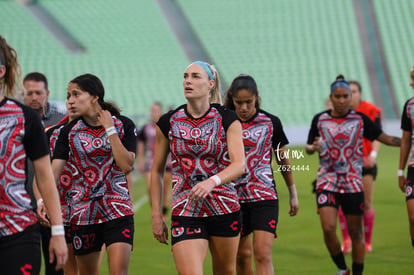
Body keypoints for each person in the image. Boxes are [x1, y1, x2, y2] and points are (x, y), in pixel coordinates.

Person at [150, 61, 245, 275]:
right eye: (185, 76)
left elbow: (239, 164)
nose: (188, 81)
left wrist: (212, 182)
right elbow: (156, 171)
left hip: (224, 208)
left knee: (226, 272)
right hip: (185, 209)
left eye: (195, 76)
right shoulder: (168, 122)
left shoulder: (227, 118)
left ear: (210, 84)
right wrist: (157, 214)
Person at [306, 75, 400, 275]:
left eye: (345, 96)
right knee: (329, 229)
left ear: (351, 97)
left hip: (352, 183)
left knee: (355, 232)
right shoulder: (320, 119)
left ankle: (357, 272)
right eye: (337, 96)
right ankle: (342, 268)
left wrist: (407, 140)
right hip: (327, 180)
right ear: (331, 97)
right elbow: (308, 146)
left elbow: (386, 138)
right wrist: (312, 147)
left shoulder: (360, 120)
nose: (341, 100)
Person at [51, 73, 137, 275]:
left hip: (117, 210)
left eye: (76, 94)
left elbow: (126, 165)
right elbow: (52, 174)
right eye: (68, 95)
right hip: (83, 215)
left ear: (94, 97)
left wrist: (109, 129)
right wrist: (41, 202)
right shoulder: (68, 132)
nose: (70, 100)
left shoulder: (123, 124)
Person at [0, 34, 67, 274]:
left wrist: (58, 231)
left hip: (17, 230)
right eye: (30, 93)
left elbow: (45, 176)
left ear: (1, 71)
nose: (35, 98)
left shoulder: (24, 118)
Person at [223, 74, 299, 274]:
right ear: (232, 99)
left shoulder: (271, 122)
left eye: (249, 102)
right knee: (241, 256)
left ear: (257, 97)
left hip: (264, 196)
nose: (244, 108)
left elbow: (282, 158)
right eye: (239, 103)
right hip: (233, 198)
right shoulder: (224, 122)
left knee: (263, 255)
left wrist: (292, 192)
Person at [23, 71, 67, 275]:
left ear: (47, 93)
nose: (34, 97)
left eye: (38, 93)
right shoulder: (12, 119)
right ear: (22, 94)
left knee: (55, 266)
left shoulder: (61, 122)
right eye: (29, 92)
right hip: (19, 206)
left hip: (52, 205)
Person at [338, 81, 382, 254]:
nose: (352, 95)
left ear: (360, 93)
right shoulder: (340, 113)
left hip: (365, 163)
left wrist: (373, 155)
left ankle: (367, 242)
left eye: (355, 91)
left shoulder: (370, 110)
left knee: (367, 202)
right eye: (350, 92)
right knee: (343, 204)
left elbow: (378, 135)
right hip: (344, 165)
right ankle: (347, 240)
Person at [137, 101, 172, 218]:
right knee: (151, 188)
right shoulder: (145, 128)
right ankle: (156, 211)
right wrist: (140, 162)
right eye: (152, 111)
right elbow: (141, 146)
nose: (154, 113)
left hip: (166, 162)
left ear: (160, 112)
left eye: (156, 111)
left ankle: (164, 213)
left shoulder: (167, 126)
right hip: (150, 162)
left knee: (165, 189)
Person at [398, 66, 414, 249]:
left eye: (413, 78)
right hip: (413, 168)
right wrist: (400, 171)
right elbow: (405, 140)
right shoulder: (409, 106)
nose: (410, 83)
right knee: (412, 217)